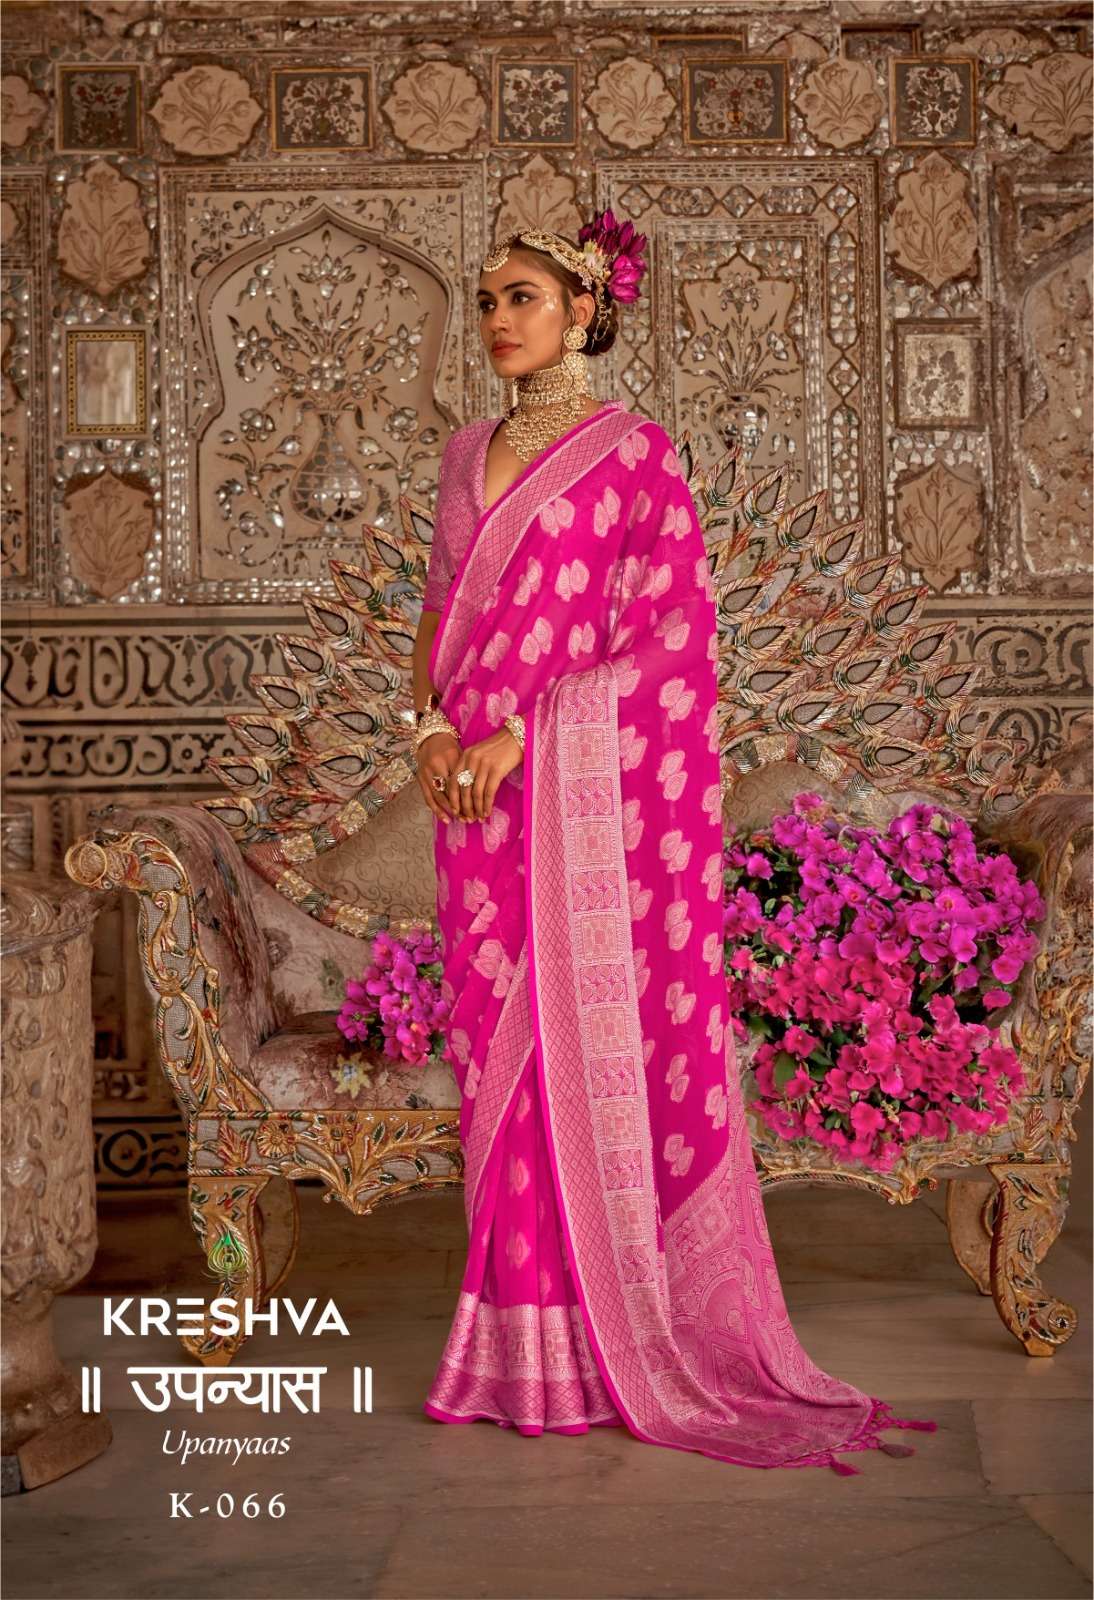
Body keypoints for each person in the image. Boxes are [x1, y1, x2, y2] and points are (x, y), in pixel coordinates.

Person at [408, 209, 937, 1476]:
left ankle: (615, 1342)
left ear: (585, 311)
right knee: (497, 1064)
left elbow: (673, 645)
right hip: (471, 810)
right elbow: (434, 618)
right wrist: (427, 730)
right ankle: (512, 1351)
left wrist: (526, 737)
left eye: (523, 296)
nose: (497, 319)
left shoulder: (634, 457)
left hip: (569, 797)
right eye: (486, 298)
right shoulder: (462, 453)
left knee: (570, 1052)